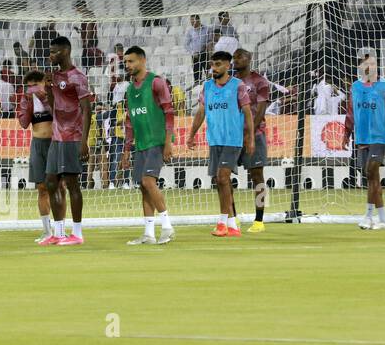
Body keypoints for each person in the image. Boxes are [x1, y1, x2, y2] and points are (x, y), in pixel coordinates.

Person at [187, 51, 253, 237]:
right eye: (212, 64)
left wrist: (250, 138)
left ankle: (222, 223)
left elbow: (247, 112)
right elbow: (201, 112)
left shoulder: (238, 86)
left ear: (227, 65)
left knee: (223, 178)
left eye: (217, 64)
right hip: (214, 140)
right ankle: (233, 225)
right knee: (219, 180)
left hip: (232, 140)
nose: (213, 68)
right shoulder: (207, 87)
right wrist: (191, 134)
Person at [117, 46, 176, 245]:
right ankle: (149, 233)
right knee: (143, 186)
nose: (127, 65)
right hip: (141, 143)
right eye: (125, 62)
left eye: (131, 61)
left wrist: (168, 142)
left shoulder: (156, 82)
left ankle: (167, 226)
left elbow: (169, 112)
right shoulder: (129, 89)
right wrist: (126, 149)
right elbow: (129, 121)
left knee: (149, 182)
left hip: (157, 141)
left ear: (142, 60)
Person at [40, 36, 94, 246]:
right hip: (57, 137)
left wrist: (84, 141)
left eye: (54, 51)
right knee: (52, 182)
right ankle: (59, 233)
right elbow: (54, 108)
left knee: (72, 184)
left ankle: (78, 233)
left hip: (72, 137)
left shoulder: (77, 77)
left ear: (65, 51)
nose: (50, 55)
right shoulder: (55, 76)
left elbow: (87, 109)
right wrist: (48, 89)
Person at [342, 55, 385, 231]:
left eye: (372, 63)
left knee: (370, 171)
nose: (369, 66)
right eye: (366, 64)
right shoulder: (355, 87)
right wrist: (346, 133)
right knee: (372, 178)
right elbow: (351, 112)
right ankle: (383, 219)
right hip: (361, 138)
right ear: (360, 67)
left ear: (376, 66)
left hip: (379, 137)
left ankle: (367, 216)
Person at [232, 48, 273, 232]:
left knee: (257, 176)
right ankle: (232, 218)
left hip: (255, 135)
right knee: (222, 177)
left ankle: (259, 220)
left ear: (249, 59)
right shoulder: (229, 81)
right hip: (232, 135)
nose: (236, 60)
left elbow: (261, 109)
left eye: (240, 57)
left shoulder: (260, 81)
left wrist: (250, 132)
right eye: (234, 57)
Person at [18, 70, 61, 241]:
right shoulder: (26, 99)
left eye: (35, 85)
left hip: (55, 143)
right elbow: (23, 123)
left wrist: (44, 96)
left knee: (59, 187)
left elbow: (60, 114)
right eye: (29, 86)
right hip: (37, 144)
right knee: (41, 188)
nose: (31, 89)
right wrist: (28, 102)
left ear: (43, 82)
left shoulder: (53, 95)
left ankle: (60, 229)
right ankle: (47, 230)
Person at [184, 15, 212, 89]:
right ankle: (197, 91)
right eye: (191, 21)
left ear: (198, 20)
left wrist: (208, 50)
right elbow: (186, 44)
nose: (192, 22)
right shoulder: (190, 31)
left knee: (208, 73)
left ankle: (211, 88)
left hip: (205, 54)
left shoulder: (206, 29)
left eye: (193, 20)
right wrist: (193, 53)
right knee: (197, 75)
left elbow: (209, 41)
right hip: (195, 55)